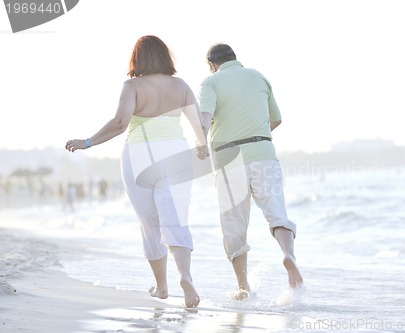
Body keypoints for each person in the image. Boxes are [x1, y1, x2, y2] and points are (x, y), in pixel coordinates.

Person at [65, 35, 208, 308]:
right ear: (166, 57)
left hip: (139, 154)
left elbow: (120, 123)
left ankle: (162, 286)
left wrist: (86, 142)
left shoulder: (132, 86)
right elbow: (197, 123)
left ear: (137, 58)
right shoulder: (181, 86)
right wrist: (202, 146)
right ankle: (185, 277)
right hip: (176, 154)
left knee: (149, 223)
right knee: (175, 218)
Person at [198, 43, 303, 299]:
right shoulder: (259, 77)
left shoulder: (211, 82)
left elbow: (204, 119)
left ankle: (243, 287)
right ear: (235, 58)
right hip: (264, 154)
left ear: (212, 64)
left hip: (228, 159)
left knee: (234, 227)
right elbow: (276, 119)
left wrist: (201, 143)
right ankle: (288, 255)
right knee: (277, 213)